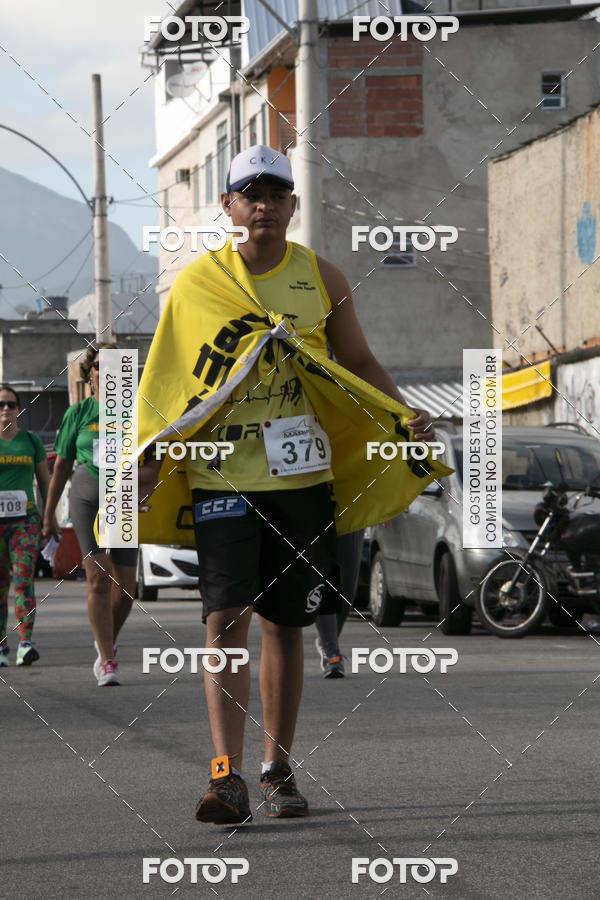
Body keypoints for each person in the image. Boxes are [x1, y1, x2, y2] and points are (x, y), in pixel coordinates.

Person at [137, 145, 440, 825]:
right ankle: (226, 775)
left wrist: (401, 417)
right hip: (222, 475)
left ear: (293, 206)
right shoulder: (196, 285)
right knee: (224, 622)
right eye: (251, 194)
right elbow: (167, 381)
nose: (265, 207)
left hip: (302, 477)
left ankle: (277, 767)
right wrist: (149, 459)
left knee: (287, 624)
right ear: (228, 206)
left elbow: (357, 360)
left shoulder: (321, 277)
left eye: (277, 195)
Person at [43, 345, 138, 686]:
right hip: (87, 493)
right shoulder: (80, 412)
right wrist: (49, 513)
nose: (107, 371)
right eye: (100, 365)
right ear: (91, 373)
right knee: (99, 577)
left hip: (125, 499)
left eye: (115, 365)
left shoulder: (137, 411)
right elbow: (62, 465)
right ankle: (108, 660)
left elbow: (155, 459)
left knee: (127, 589)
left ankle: (105, 641)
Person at [0, 385, 53, 666]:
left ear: (18, 408)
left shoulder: (30, 441)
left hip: (25, 523)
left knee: (23, 582)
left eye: (10, 404)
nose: (5, 409)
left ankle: (25, 643)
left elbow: (45, 482)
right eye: (0, 405)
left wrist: (49, 516)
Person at [315, 529, 365, 678]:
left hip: (350, 512)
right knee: (321, 578)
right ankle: (331, 652)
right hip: (312, 511)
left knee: (346, 585)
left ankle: (329, 640)